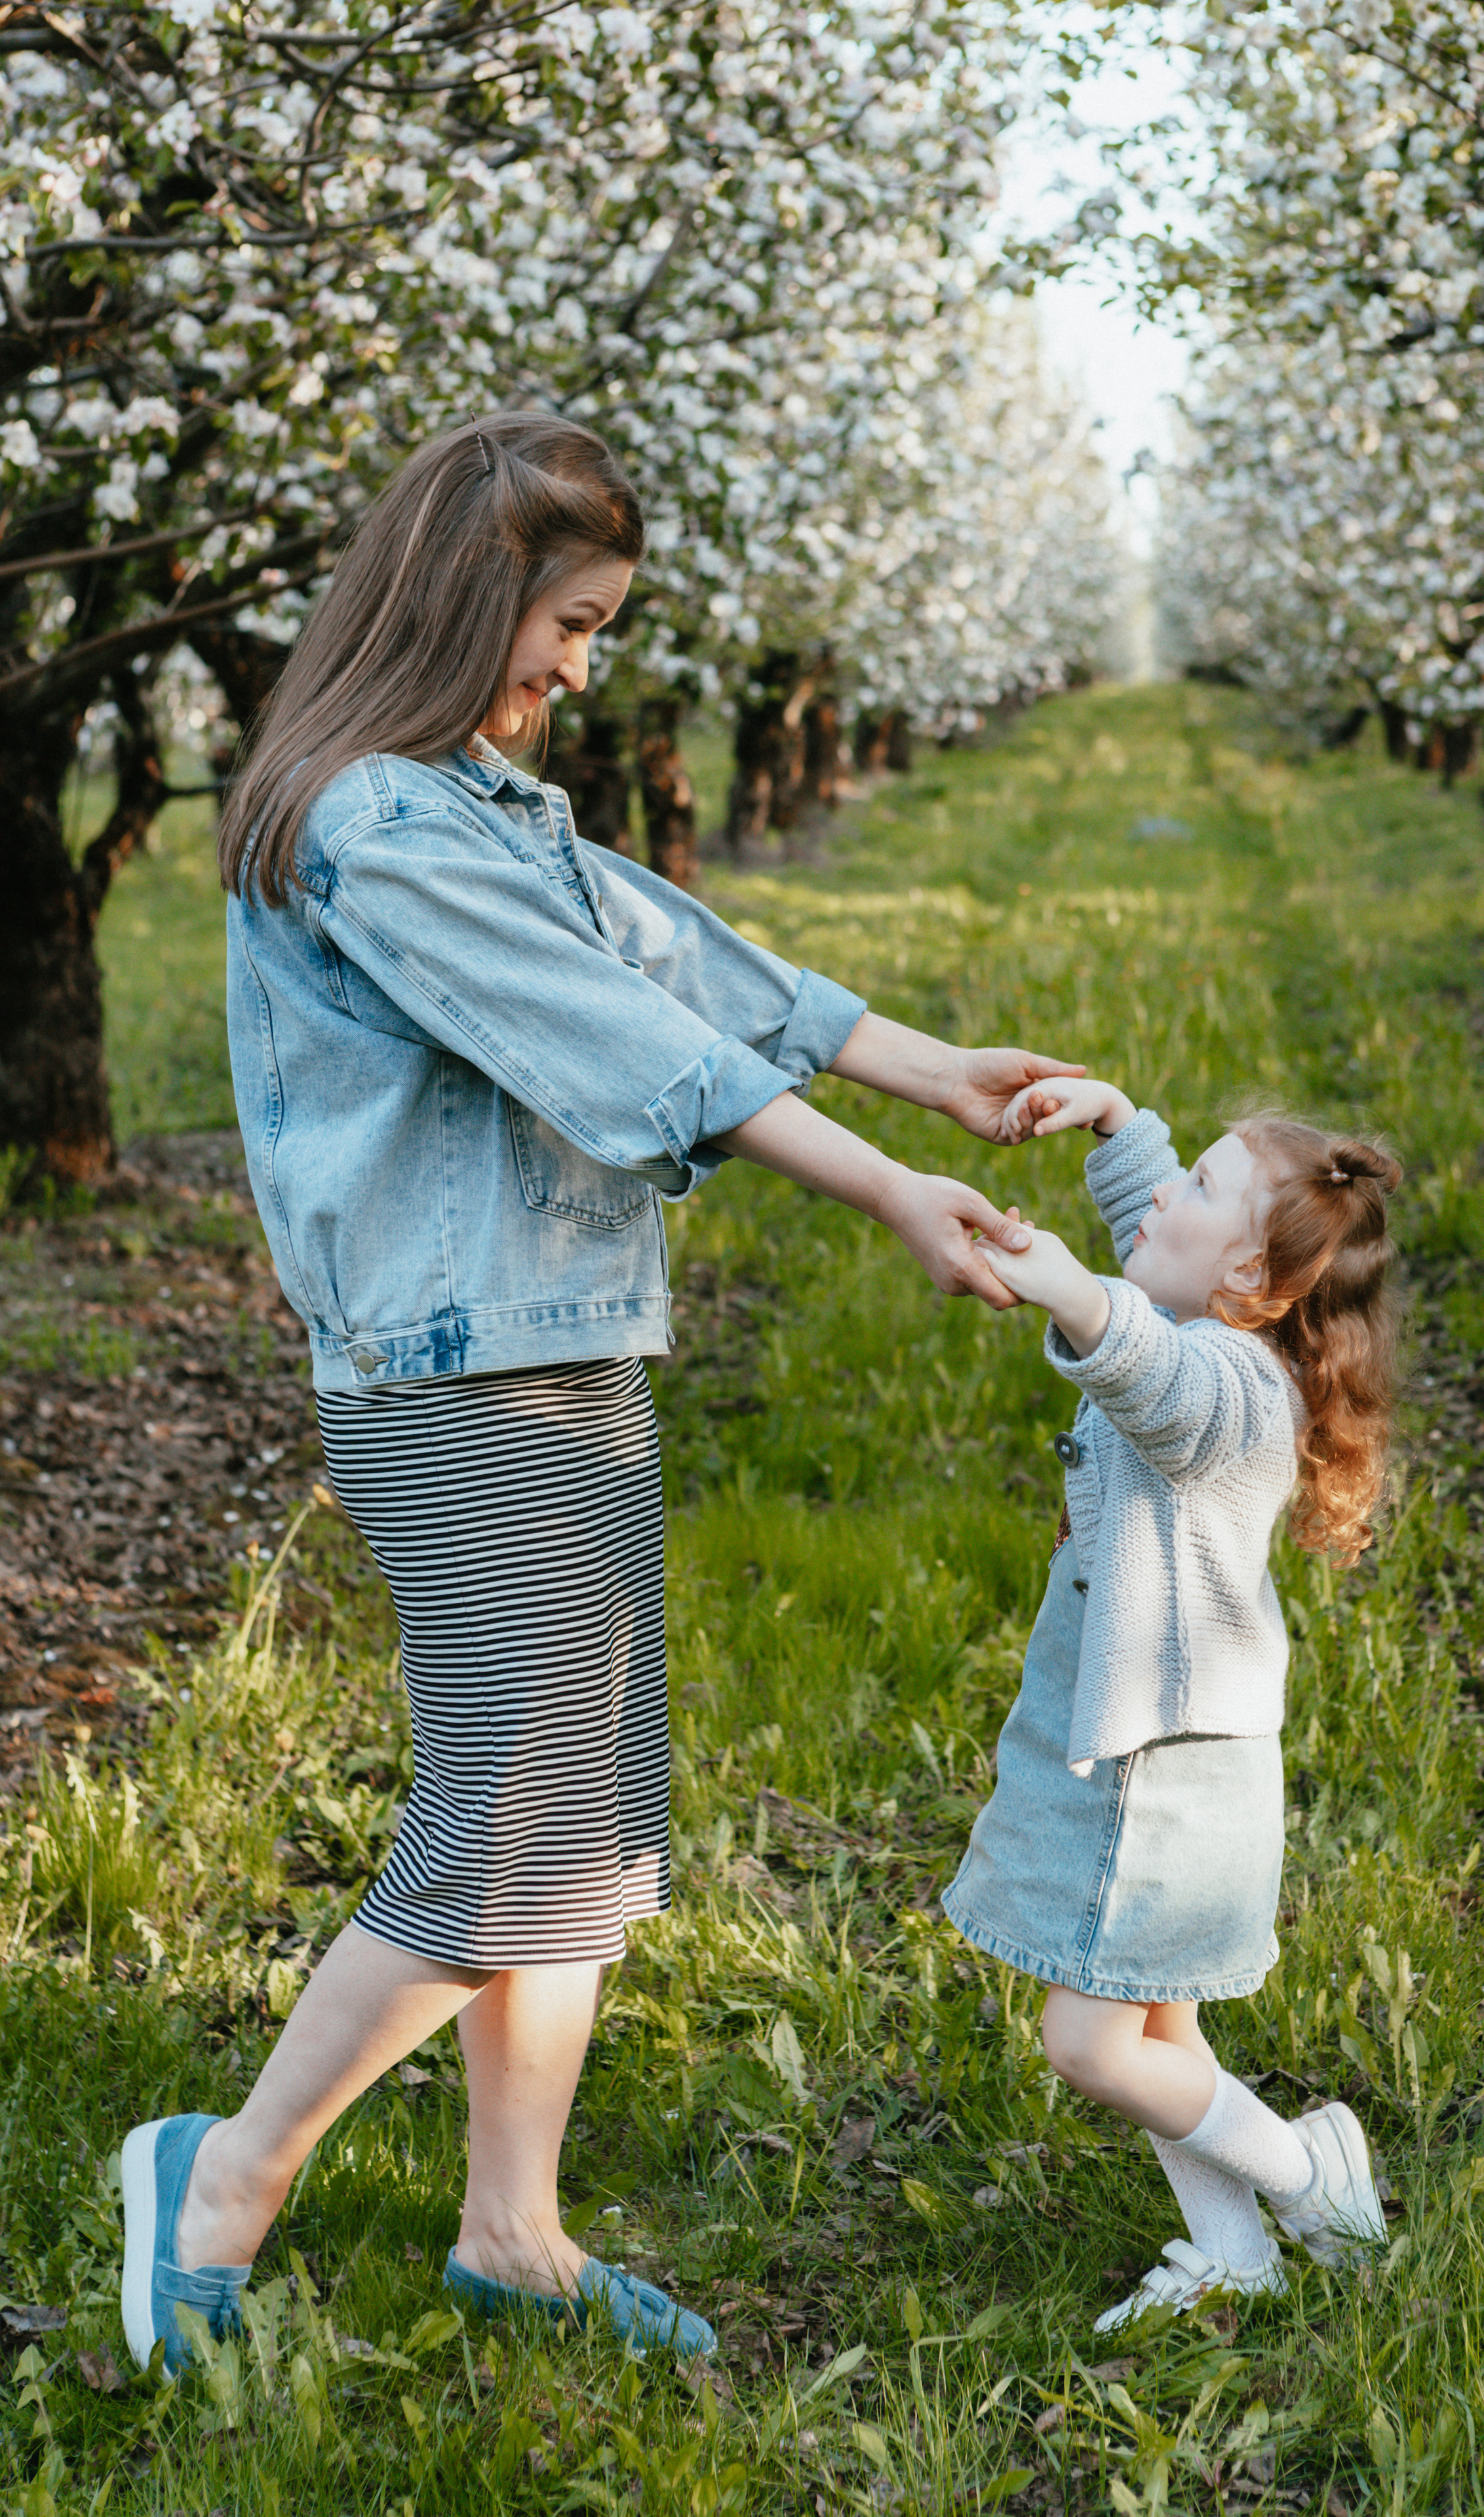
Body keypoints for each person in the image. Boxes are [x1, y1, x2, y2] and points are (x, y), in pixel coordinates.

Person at [119, 411, 1083, 2376]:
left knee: (584, 1826)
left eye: (600, 632)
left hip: (566, 1356)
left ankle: (516, 2234)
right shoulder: (372, 826)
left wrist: (934, 1072)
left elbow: (687, 954)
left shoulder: (484, 806)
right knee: (506, 1824)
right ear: (471, 595)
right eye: (566, 624)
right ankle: (217, 2179)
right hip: (458, 1378)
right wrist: (890, 1183)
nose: (579, 671)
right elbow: (614, 1039)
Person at [943, 1072, 1401, 2328]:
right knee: (1159, 2030)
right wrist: (1116, 1123)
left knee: (1089, 2046)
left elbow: (1146, 1365)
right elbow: (1159, 1238)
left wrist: (1066, 1289)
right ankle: (1232, 2249)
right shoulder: (1229, 1318)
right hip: (1178, 1755)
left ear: (1250, 1283)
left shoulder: (1233, 1395)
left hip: (1162, 1774)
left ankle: (1306, 2176)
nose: (1166, 1196)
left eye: (1202, 1184)